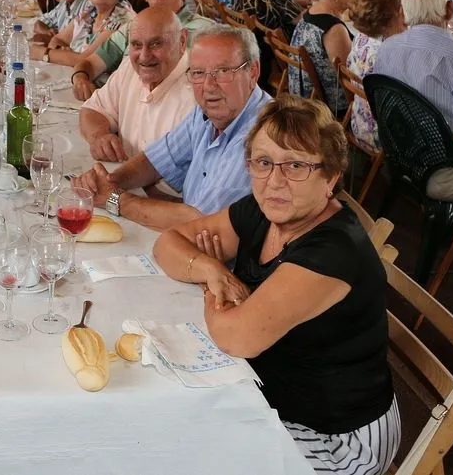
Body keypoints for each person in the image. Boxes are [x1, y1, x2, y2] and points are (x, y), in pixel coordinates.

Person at [152, 94, 399, 475]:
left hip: (337, 436)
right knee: (164, 422)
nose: (275, 181)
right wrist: (211, 268)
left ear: (330, 177)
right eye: (263, 162)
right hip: (269, 392)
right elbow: (168, 243)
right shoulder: (264, 209)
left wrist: (209, 280)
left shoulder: (332, 252)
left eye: (296, 165)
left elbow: (237, 337)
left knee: (187, 453)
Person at [75, 25, 271, 230]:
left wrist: (114, 198)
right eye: (198, 73)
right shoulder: (208, 113)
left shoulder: (260, 139)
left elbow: (201, 224)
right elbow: (156, 160)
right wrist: (108, 181)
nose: (209, 85)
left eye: (222, 71)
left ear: (253, 72)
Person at [375, 0, 453, 200]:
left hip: (398, 157)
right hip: (442, 169)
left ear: (403, 13)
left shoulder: (387, 48)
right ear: (450, 9)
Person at [73, 0, 216, 98]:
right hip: (124, 107)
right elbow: (91, 63)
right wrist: (80, 78)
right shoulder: (132, 27)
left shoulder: (205, 30)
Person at [80, 7, 196, 163]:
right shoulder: (130, 67)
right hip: (123, 181)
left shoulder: (199, 92)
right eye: (136, 45)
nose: (144, 56)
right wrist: (99, 136)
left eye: (156, 44)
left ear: (182, 41)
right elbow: (92, 109)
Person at [31, 0, 135, 68]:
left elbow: (86, 60)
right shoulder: (91, 10)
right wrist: (64, 53)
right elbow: (57, 39)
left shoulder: (122, 18)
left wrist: (43, 53)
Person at [344, 0, 404, 152]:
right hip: (385, 137)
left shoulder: (361, 38)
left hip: (360, 124)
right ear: (396, 12)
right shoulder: (392, 52)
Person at [289, 0, 355, 114]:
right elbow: (349, 80)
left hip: (304, 101)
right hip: (330, 109)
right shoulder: (334, 29)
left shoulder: (309, 13)